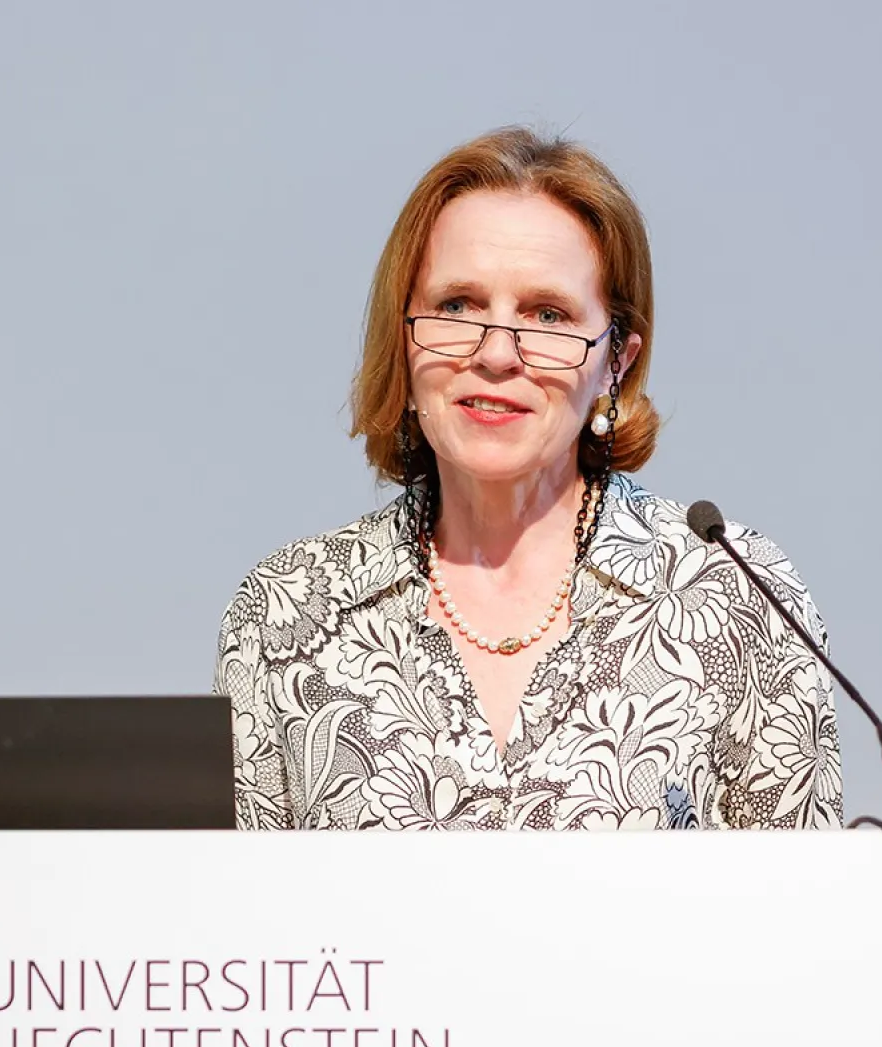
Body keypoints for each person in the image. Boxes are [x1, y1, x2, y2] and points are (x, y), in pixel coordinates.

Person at [216, 126, 842, 831]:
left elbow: (808, 897)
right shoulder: (286, 613)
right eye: (457, 305)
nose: (496, 354)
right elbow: (235, 898)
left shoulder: (736, 598)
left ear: (616, 362)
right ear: (404, 338)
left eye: (548, 315)